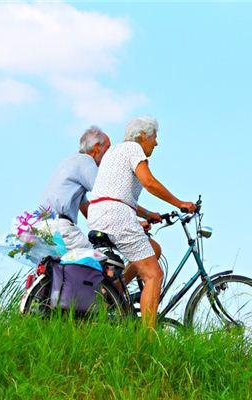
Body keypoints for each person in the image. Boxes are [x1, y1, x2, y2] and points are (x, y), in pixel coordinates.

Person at [87, 116, 196, 328]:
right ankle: (147, 340)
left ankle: (114, 293)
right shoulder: (134, 148)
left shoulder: (114, 152)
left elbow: (116, 193)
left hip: (100, 213)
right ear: (143, 136)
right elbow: (149, 183)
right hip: (116, 215)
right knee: (154, 274)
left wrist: (147, 214)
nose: (156, 143)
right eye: (154, 137)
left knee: (153, 249)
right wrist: (180, 203)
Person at [39, 126, 110, 250]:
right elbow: (107, 194)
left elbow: (86, 208)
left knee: (63, 268)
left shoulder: (71, 161)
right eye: (108, 148)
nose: (109, 153)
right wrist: (134, 221)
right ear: (97, 146)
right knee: (100, 262)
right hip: (61, 228)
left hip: (43, 227)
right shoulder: (86, 161)